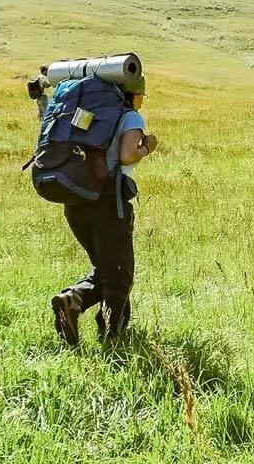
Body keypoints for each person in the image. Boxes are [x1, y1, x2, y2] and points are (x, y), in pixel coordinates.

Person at [52, 79, 158, 346]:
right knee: (119, 274)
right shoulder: (130, 116)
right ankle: (111, 335)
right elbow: (127, 155)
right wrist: (148, 147)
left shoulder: (81, 112)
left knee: (107, 268)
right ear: (132, 95)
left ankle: (85, 310)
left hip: (75, 199)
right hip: (109, 203)